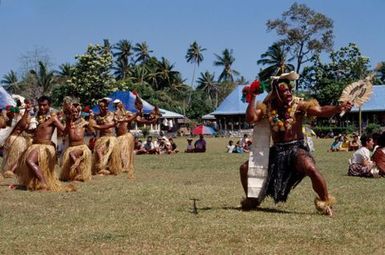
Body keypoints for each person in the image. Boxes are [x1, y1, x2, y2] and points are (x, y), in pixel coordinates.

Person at [239, 72, 352, 216]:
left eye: (289, 90)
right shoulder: (268, 106)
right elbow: (251, 118)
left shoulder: (298, 105)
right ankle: (252, 200)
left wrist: (337, 108)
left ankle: (325, 202)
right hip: (277, 151)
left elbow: (321, 110)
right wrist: (253, 96)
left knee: (310, 168)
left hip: (296, 148)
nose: (288, 93)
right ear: (276, 94)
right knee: (244, 168)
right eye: (284, 91)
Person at [15, 96, 74, 191]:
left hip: (45, 147)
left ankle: (43, 183)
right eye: (40, 105)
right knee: (32, 164)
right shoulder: (35, 118)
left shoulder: (53, 118)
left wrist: (68, 121)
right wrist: (26, 111)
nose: (42, 107)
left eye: (44, 105)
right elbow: (24, 127)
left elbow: (64, 131)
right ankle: (36, 183)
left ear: (49, 105)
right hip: (34, 145)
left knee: (29, 161)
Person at [59, 103, 92, 182]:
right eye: (73, 112)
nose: (75, 113)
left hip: (81, 147)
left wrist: (90, 118)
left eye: (76, 112)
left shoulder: (83, 122)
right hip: (71, 147)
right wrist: (68, 121)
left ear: (79, 112)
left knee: (72, 154)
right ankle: (75, 174)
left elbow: (92, 130)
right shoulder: (68, 123)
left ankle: (80, 174)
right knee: (66, 176)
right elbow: (63, 133)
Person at [1, 100, 33, 178]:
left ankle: (10, 170)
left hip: (14, 138)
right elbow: (22, 125)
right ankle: (11, 170)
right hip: (17, 140)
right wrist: (26, 112)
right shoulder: (18, 116)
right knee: (18, 156)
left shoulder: (14, 116)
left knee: (14, 157)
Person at [91, 98, 121, 175]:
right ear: (99, 107)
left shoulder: (112, 115)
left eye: (105, 106)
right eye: (102, 107)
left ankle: (105, 167)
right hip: (102, 138)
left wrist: (99, 127)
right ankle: (102, 167)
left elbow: (115, 124)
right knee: (99, 151)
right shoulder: (97, 117)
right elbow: (93, 126)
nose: (104, 108)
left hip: (111, 138)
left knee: (107, 153)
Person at [113, 99, 138, 179]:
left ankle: (126, 167)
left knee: (125, 152)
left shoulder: (127, 113)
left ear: (122, 104)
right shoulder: (115, 114)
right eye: (115, 104)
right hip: (118, 137)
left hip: (126, 136)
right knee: (119, 152)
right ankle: (120, 166)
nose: (117, 105)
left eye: (118, 104)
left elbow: (133, 120)